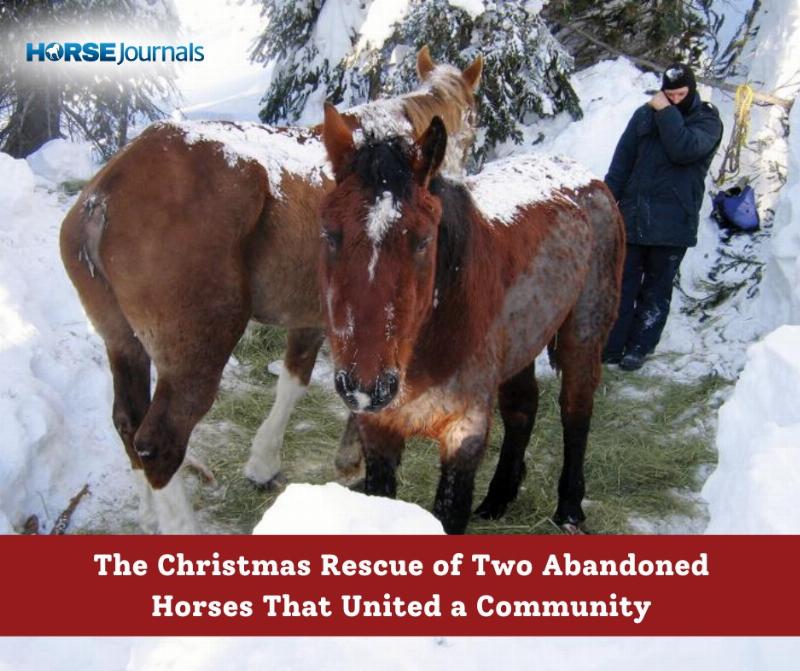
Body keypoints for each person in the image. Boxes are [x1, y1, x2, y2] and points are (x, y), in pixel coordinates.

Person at [603, 63, 724, 371]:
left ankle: (640, 348)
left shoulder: (707, 121)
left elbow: (683, 149)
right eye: (668, 94)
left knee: (656, 289)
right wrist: (605, 201)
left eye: (680, 94)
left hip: (674, 222)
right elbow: (622, 161)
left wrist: (665, 112)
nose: (673, 99)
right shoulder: (643, 116)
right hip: (634, 217)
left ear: (692, 90)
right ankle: (612, 346)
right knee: (622, 284)